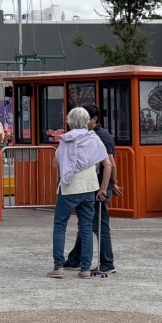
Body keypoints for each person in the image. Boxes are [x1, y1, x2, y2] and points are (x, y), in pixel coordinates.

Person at [49, 107, 113, 279]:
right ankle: (85, 269)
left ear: (69, 122)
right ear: (87, 121)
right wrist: (103, 188)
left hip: (69, 188)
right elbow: (108, 165)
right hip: (89, 186)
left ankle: (58, 267)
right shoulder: (95, 139)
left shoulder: (66, 140)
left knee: (60, 225)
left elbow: (55, 164)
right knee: (86, 227)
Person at [65, 104, 119, 274]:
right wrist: (112, 183)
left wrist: (107, 186)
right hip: (96, 185)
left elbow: (110, 163)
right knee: (86, 223)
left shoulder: (98, 136)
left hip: (97, 188)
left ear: (94, 119)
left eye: (85, 118)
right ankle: (75, 258)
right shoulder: (98, 135)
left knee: (99, 225)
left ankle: (107, 261)